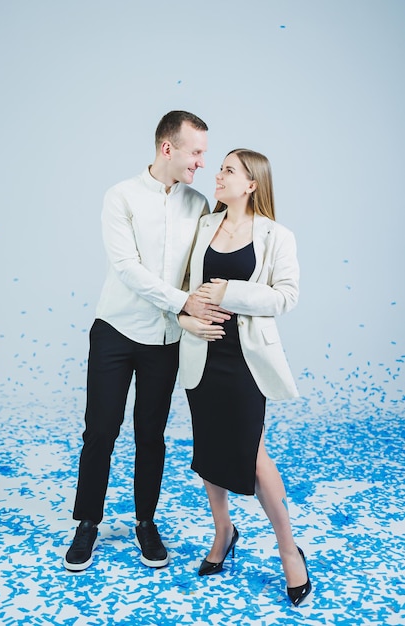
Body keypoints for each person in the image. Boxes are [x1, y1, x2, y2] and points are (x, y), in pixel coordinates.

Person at [63, 110, 231, 572]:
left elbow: (216, 257)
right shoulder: (120, 196)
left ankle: (145, 522)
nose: (202, 162)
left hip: (166, 339)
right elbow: (127, 268)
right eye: (196, 152)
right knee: (100, 430)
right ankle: (87, 524)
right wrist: (184, 304)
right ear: (167, 148)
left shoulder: (199, 205)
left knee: (150, 435)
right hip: (115, 330)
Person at [178, 148, 312, 606]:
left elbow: (286, 297)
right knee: (208, 447)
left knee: (252, 456)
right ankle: (223, 533)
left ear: (251, 184)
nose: (218, 175)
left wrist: (230, 292)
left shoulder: (278, 236)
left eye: (228, 170)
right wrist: (186, 319)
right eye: (219, 168)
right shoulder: (201, 227)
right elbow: (181, 290)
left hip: (247, 360)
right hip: (203, 354)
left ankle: (288, 550)